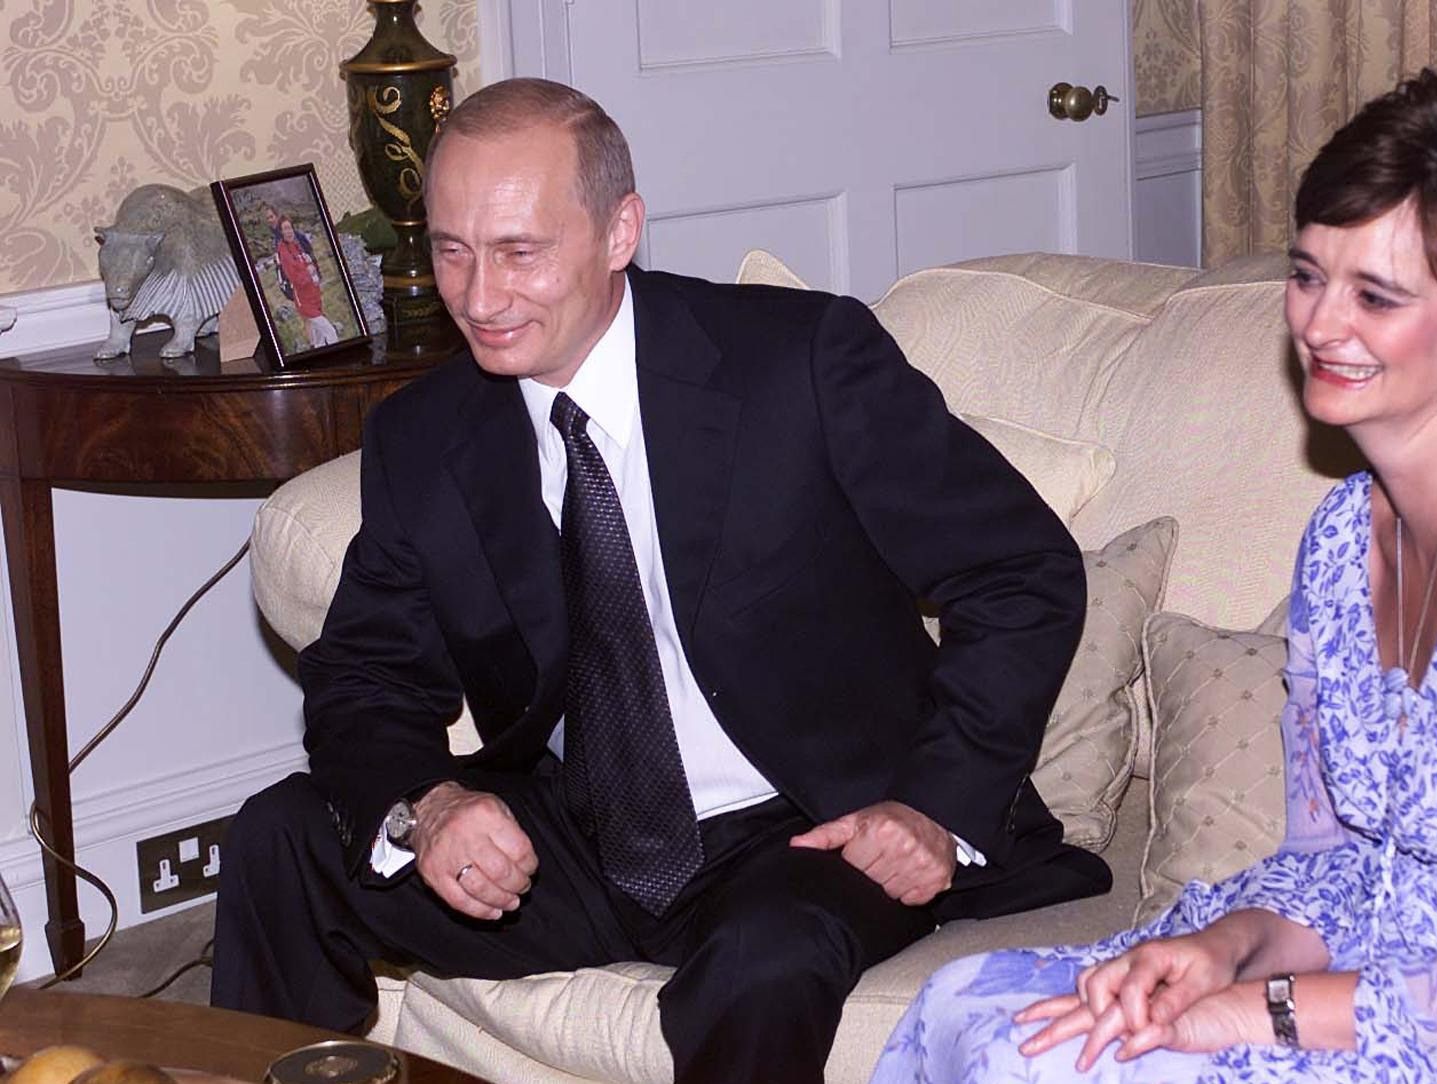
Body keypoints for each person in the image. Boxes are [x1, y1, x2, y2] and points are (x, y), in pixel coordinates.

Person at [870, 69, 1437, 1083]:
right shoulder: (1344, 534)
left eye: (1374, 296)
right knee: (972, 1003)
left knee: (1065, 1065)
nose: (1319, 323)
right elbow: (1333, 862)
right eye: (1308, 275)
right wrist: (1219, 950)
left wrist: (1253, 1009)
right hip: (1393, 973)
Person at [210, 77, 1110, 1083]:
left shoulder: (798, 363)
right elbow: (364, 671)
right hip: (580, 830)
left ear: (619, 231)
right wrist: (430, 802)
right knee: (278, 838)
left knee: (762, 961)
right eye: (452, 250)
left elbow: (1019, 568)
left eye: (518, 252)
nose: (479, 297)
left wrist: (933, 805)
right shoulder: (427, 436)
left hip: (809, 821)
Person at [267, 208, 341, 348]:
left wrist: (313, 273)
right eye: (285, 229)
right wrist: (308, 272)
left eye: (290, 228)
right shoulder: (284, 252)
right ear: (281, 232)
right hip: (305, 302)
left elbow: (310, 262)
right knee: (330, 332)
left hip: (314, 297)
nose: (289, 231)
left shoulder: (296, 246)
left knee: (319, 340)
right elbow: (296, 278)